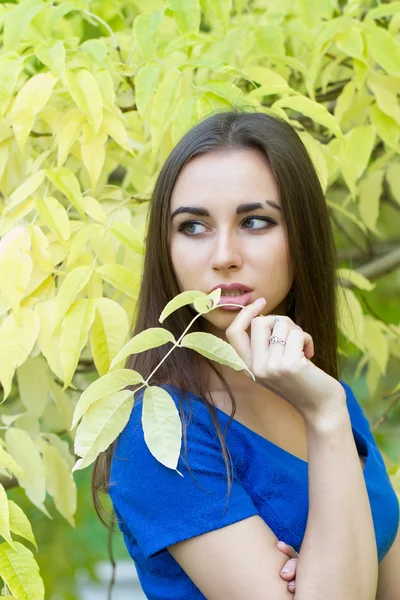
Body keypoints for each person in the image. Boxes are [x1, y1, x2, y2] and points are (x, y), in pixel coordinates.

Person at [92, 108, 399, 599]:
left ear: (303, 237)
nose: (223, 255)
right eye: (193, 227)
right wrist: (323, 419)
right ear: (165, 249)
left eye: (255, 221)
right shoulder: (159, 435)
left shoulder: (321, 390)